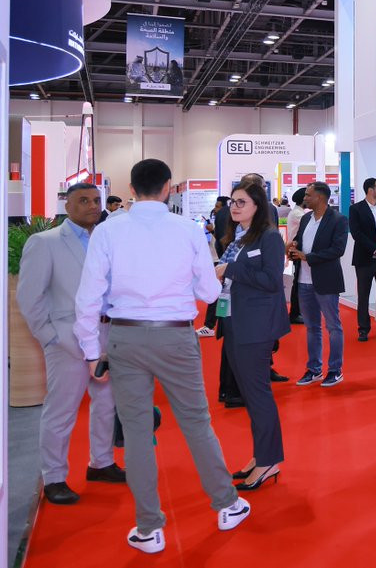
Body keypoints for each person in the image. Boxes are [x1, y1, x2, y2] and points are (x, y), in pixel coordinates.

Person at [74, 158, 250, 554]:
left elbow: (88, 297)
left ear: (132, 189)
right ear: (168, 187)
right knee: (197, 423)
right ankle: (227, 504)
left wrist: (90, 351)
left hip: (125, 336)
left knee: (136, 432)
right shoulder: (187, 230)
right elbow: (207, 292)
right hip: (176, 337)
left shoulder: (108, 230)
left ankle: (149, 528)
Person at [17, 183, 123, 506]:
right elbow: (29, 297)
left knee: (105, 403)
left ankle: (101, 462)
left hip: (106, 334)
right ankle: (54, 477)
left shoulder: (104, 240)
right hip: (67, 339)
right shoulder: (44, 242)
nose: (92, 205)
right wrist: (50, 336)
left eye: (96, 200)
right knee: (61, 410)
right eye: (83, 200)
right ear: (67, 205)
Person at [217, 179, 290, 490]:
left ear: (257, 206)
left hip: (256, 326)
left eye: (241, 202)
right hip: (235, 321)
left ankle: (268, 460)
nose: (234, 207)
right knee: (249, 394)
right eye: (232, 202)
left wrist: (230, 270)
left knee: (258, 395)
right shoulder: (239, 237)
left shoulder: (269, 237)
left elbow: (272, 281)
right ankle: (261, 455)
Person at [290, 181, 349, 387]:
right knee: (311, 327)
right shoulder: (306, 218)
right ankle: (314, 369)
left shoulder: (338, 219)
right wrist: (294, 246)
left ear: (320, 197)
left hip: (326, 280)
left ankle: (335, 370)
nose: (304, 198)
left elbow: (338, 250)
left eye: (308, 195)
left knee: (333, 326)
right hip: (304, 281)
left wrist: (307, 257)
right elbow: (300, 240)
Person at [348, 177, 376, 341]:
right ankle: (363, 329)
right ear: (370, 190)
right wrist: (375, 249)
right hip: (365, 257)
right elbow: (356, 233)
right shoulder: (356, 209)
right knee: (363, 295)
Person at [197, 196, 232, 337]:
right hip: (217, 260)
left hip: (220, 261)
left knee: (217, 293)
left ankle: (209, 325)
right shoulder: (221, 220)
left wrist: (212, 231)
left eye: (218, 206)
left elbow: (223, 240)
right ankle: (213, 325)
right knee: (219, 293)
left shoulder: (227, 221)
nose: (215, 209)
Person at [285, 187, 309, 324]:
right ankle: (295, 313)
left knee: (298, 282)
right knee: (297, 283)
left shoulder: (298, 212)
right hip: (297, 250)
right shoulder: (298, 214)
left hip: (297, 250)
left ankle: (297, 312)